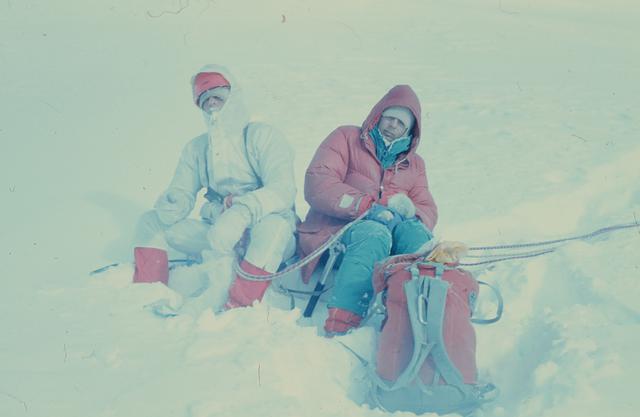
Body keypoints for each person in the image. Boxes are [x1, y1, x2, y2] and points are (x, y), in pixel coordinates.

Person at [133, 64, 297, 312]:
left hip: (269, 234)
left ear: (234, 96)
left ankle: (238, 306)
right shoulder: (197, 149)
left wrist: (241, 213)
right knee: (151, 222)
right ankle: (149, 293)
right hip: (220, 234)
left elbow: (283, 189)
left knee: (274, 228)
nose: (211, 103)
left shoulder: (262, 135)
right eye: (204, 99)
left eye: (217, 96)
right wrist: (172, 203)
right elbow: (181, 192)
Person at [297, 85, 438, 335]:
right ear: (378, 115)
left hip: (389, 244)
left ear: (410, 130)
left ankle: (420, 315)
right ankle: (342, 321)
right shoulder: (346, 138)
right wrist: (364, 206)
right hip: (336, 233)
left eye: (401, 123)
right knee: (373, 233)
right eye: (389, 118)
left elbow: (427, 208)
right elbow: (319, 182)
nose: (393, 125)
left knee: (418, 238)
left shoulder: (415, 165)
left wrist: (409, 216)